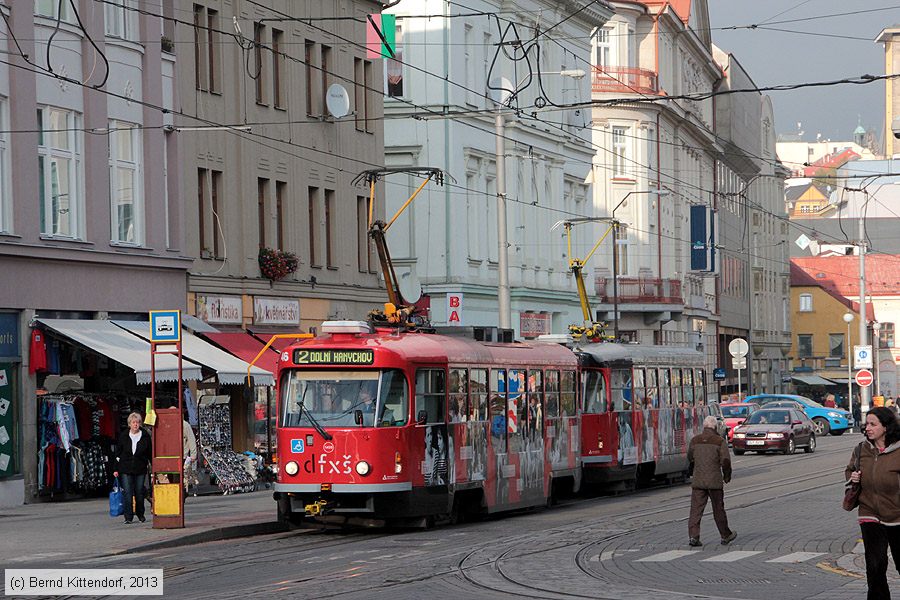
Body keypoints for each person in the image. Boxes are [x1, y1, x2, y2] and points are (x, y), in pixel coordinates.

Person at [846, 406, 900, 600]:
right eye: (866, 424)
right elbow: (849, 470)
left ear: (885, 427)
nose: (867, 428)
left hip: (897, 515)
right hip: (869, 512)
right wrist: (852, 477)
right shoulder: (861, 449)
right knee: (875, 565)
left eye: (873, 424)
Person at [687, 415, 736, 547]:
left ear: (704, 426)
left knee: (695, 510)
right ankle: (725, 535)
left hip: (698, 481)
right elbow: (725, 461)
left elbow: (690, 457)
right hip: (714, 481)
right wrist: (727, 476)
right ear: (715, 427)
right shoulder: (719, 441)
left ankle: (694, 536)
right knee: (718, 509)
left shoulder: (695, 440)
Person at [113, 412, 152, 524]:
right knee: (128, 492)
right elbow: (118, 453)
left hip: (140, 467)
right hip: (125, 467)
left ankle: (140, 514)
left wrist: (153, 465)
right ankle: (128, 517)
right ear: (129, 424)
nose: (135, 424)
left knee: (139, 492)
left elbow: (149, 453)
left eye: (137, 422)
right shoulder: (124, 436)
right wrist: (115, 469)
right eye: (133, 422)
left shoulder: (145, 436)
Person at [182, 419, 198, 494]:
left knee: (184, 474)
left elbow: (191, 439)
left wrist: (193, 455)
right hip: (172, 456)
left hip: (183, 456)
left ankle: (184, 490)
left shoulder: (185, 425)